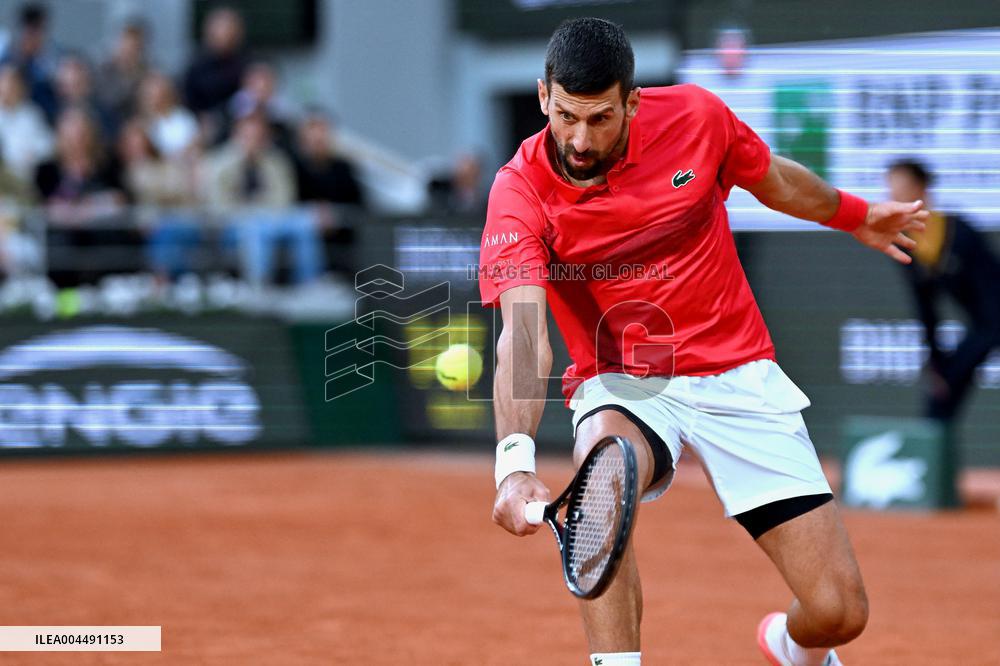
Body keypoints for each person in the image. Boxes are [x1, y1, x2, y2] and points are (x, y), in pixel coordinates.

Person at [482, 19, 926, 666]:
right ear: (544, 94)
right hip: (627, 372)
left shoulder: (696, 117)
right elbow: (523, 334)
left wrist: (856, 216)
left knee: (839, 611)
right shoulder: (518, 191)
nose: (580, 139)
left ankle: (790, 648)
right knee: (605, 465)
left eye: (601, 118)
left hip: (735, 365)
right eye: (567, 116)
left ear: (632, 101)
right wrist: (514, 462)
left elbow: (774, 178)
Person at [888, 159, 1000, 423]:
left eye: (901, 185)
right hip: (985, 326)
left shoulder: (957, 231)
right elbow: (926, 309)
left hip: (993, 322)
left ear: (921, 188)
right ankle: (933, 452)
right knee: (943, 390)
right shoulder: (907, 243)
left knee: (951, 376)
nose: (893, 193)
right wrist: (937, 363)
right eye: (890, 186)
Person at [205, 111, 322, 286]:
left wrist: (261, 208)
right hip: (233, 224)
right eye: (247, 136)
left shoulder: (276, 160)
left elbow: (285, 198)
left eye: (257, 136)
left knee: (305, 222)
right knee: (255, 229)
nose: (252, 141)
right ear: (236, 135)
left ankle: (310, 284)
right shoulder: (220, 162)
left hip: (272, 219)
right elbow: (217, 203)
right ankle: (260, 287)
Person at [0, 3, 59, 122]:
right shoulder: (6, 61)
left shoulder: (50, 63)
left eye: (37, 33)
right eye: (29, 33)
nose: (33, 39)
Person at [0, 64, 53, 183]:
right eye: (4, 83)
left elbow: (48, 145)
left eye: (13, 84)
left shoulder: (32, 114)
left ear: (22, 88)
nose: (8, 88)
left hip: (26, 179)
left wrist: (32, 153)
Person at [95, 20, 149, 129]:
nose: (130, 49)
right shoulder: (104, 70)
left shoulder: (148, 73)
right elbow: (107, 101)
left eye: (135, 45)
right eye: (126, 43)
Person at [138, 71, 200, 158]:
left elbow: (196, 138)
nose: (157, 99)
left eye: (159, 95)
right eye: (151, 96)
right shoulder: (150, 128)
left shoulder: (182, 114)